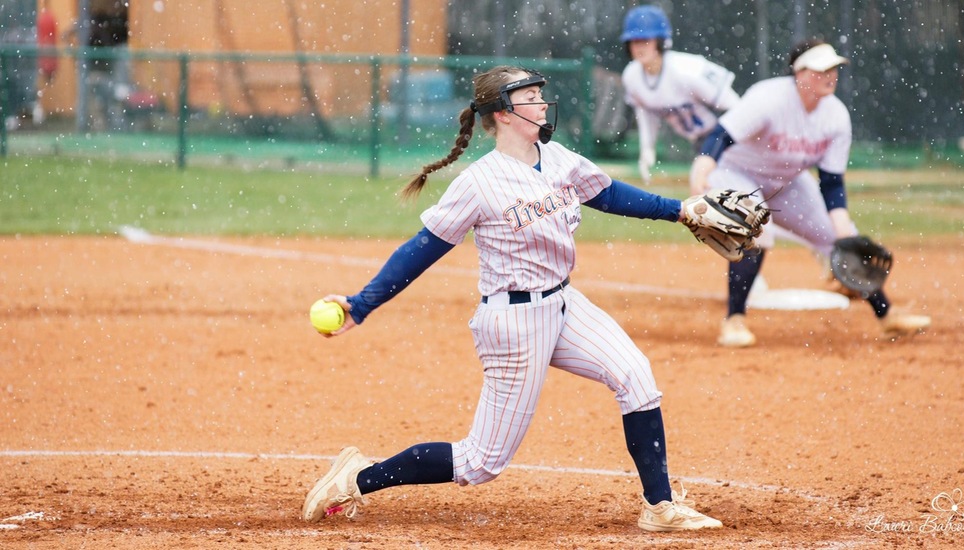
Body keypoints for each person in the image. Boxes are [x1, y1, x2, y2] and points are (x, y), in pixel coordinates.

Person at [302, 65, 723, 533]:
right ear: (502, 114)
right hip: (514, 321)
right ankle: (356, 478)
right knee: (480, 462)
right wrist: (360, 304)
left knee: (636, 378)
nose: (543, 103)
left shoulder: (558, 158)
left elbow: (608, 194)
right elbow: (421, 250)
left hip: (565, 304)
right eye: (531, 96)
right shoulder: (480, 183)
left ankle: (659, 506)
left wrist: (680, 211)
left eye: (541, 93)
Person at [689, 39, 932, 348]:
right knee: (757, 228)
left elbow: (831, 181)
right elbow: (722, 134)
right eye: (820, 69)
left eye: (833, 68)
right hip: (734, 171)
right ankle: (734, 321)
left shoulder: (836, 116)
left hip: (786, 181)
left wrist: (842, 228)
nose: (830, 75)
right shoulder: (770, 97)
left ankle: (888, 317)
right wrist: (704, 165)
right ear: (799, 73)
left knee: (839, 238)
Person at [619, 5, 740, 184]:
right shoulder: (631, 76)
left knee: (707, 187)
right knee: (709, 190)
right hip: (700, 141)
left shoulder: (686, 70)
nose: (638, 47)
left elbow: (735, 106)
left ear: (660, 42)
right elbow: (645, 111)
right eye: (633, 41)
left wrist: (742, 139)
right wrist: (647, 149)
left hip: (724, 133)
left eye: (645, 40)